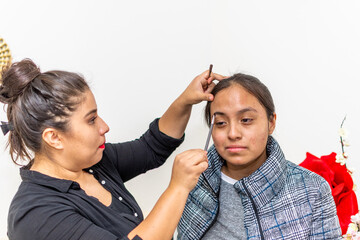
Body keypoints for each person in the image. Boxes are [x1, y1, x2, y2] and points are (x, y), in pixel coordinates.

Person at [0, 58, 225, 240]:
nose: (104, 127)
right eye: (91, 120)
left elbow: (152, 148)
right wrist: (178, 187)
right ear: (54, 137)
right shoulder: (36, 215)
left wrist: (185, 101)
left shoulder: (93, 163)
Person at [177, 73, 342, 239]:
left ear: (271, 123)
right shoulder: (192, 180)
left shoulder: (312, 189)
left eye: (246, 120)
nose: (233, 133)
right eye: (221, 123)